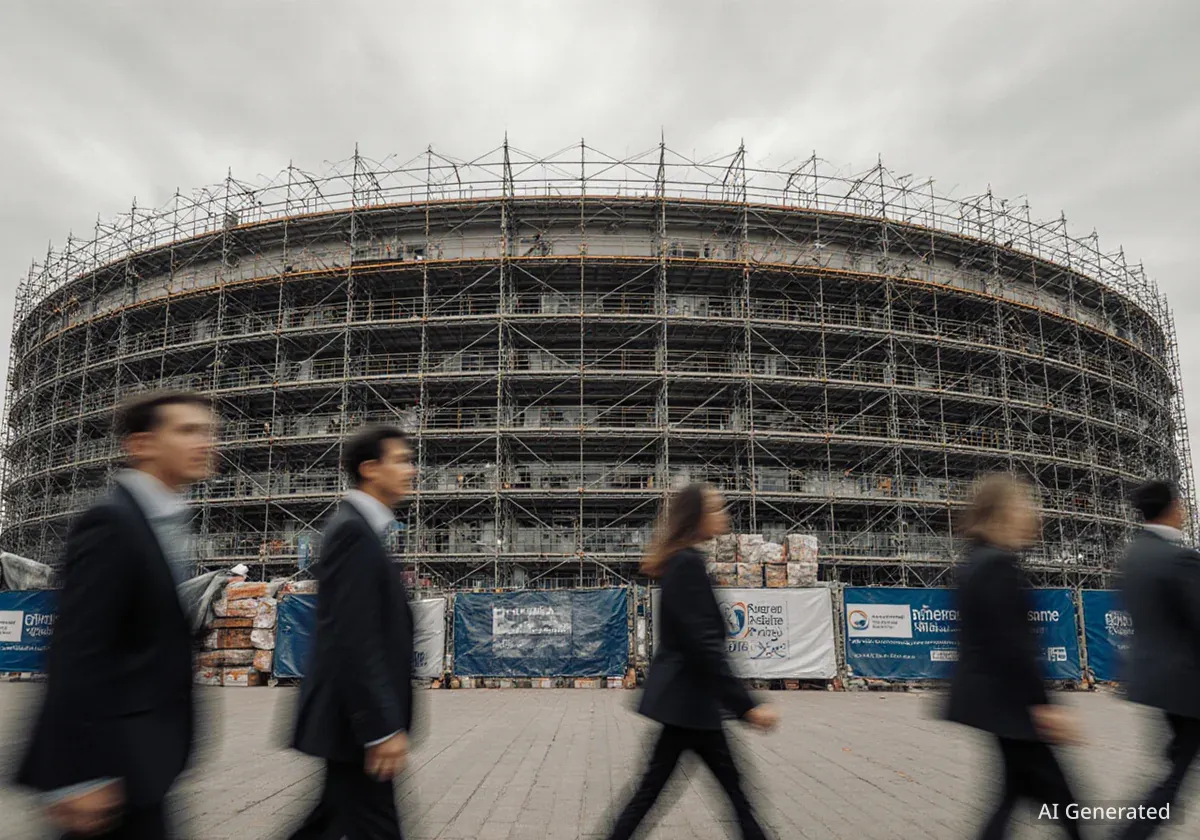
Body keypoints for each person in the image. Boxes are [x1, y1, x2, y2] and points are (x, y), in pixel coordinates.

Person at [16, 391, 217, 839]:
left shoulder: (161, 522)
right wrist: (78, 774)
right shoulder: (111, 523)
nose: (205, 442)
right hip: (108, 771)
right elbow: (77, 649)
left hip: (142, 767)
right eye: (187, 431)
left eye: (207, 432)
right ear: (142, 443)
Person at [604, 483, 778, 840]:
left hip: (691, 705)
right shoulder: (685, 564)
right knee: (728, 795)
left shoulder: (686, 561)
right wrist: (747, 708)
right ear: (697, 517)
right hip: (690, 704)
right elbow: (702, 645)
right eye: (716, 508)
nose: (723, 514)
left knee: (724, 793)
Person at [289, 425, 416, 840]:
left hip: (352, 722)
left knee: (330, 821)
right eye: (400, 460)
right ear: (369, 469)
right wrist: (380, 727)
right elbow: (354, 637)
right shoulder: (352, 532)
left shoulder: (363, 530)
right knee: (376, 827)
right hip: (357, 724)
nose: (411, 470)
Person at [944, 473, 1085, 840]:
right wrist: (1042, 706)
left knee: (1012, 796)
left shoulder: (976, 560)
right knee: (1065, 804)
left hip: (995, 703)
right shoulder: (995, 566)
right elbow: (1011, 645)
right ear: (1003, 513)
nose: (1034, 515)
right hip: (1011, 705)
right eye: (1025, 506)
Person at [1116, 480, 1200, 839]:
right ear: (1173, 508)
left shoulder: (1133, 556)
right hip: (1187, 685)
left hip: (1156, 683)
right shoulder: (1180, 557)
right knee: (1173, 779)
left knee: (1177, 764)